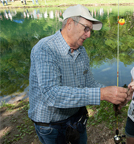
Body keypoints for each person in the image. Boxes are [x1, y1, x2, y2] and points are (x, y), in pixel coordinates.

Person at [28, 4, 128, 144]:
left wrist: (114, 94)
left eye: (90, 30)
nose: (88, 34)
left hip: (77, 119)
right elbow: (52, 94)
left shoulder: (82, 51)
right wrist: (102, 94)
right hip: (51, 125)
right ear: (69, 24)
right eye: (86, 28)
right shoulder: (45, 48)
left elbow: (89, 83)